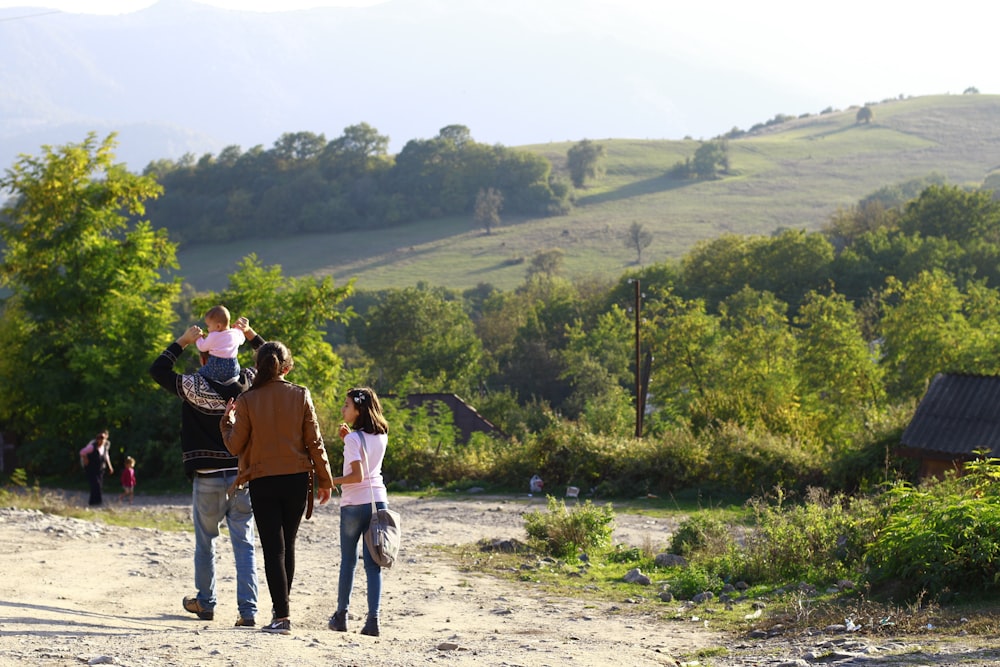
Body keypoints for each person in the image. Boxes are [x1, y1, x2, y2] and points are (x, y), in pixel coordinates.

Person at [149, 316, 263, 628]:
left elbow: (157, 370)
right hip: (241, 477)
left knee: (206, 543)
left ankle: (206, 602)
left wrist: (183, 341)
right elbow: (273, 361)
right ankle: (248, 611)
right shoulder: (248, 384)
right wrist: (250, 334)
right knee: (245, 544)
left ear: (205, 356)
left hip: (208, 477)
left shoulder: (193, 385)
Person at [220, 340, 334, 635]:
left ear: (257, 367)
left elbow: (235, 446)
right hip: (297, 478)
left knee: (274, 548)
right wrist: (325, 479)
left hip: (262, 479)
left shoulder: (246, 401)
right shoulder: (301, 394)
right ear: (287, 367)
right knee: (289, 544)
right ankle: (281, 610)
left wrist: (226, 423)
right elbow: (315, 441)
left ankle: (281, 615)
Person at [327, 387, 390, 638]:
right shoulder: (382, 435)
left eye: (346, 405)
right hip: (378, 502)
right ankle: (372, 620)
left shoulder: (354, 439)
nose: (343, 409)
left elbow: (356, 475)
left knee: (349, 561)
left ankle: (341, 616)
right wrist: (347, 439)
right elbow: (369, 461)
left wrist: (329, 480)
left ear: (359, 410)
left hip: (354, 504)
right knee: (374, 564)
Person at [196, 305, 245, 385]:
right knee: (233, 376)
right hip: (233, 369)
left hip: (216, 367)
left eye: (208, 326)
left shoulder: (213, 336)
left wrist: (198, 338)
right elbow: (242, 340)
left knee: (200, 375)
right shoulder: (235, 333)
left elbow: (202, 347)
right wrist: (238, 329)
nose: (208, 329)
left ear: (218, 326)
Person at [79, 430, 113, 506]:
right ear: (97, 439)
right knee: (95, 484)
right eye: (100, 439)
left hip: (100, 468)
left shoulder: (105, 446)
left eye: (103, 439)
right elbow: (82, 452)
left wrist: (110, 466)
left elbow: (106, 456)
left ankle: (98, 501)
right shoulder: (92, 446)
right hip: (91, 468)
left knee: (99, 485)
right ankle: (92, 502)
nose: (102, 441)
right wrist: (85, 459)